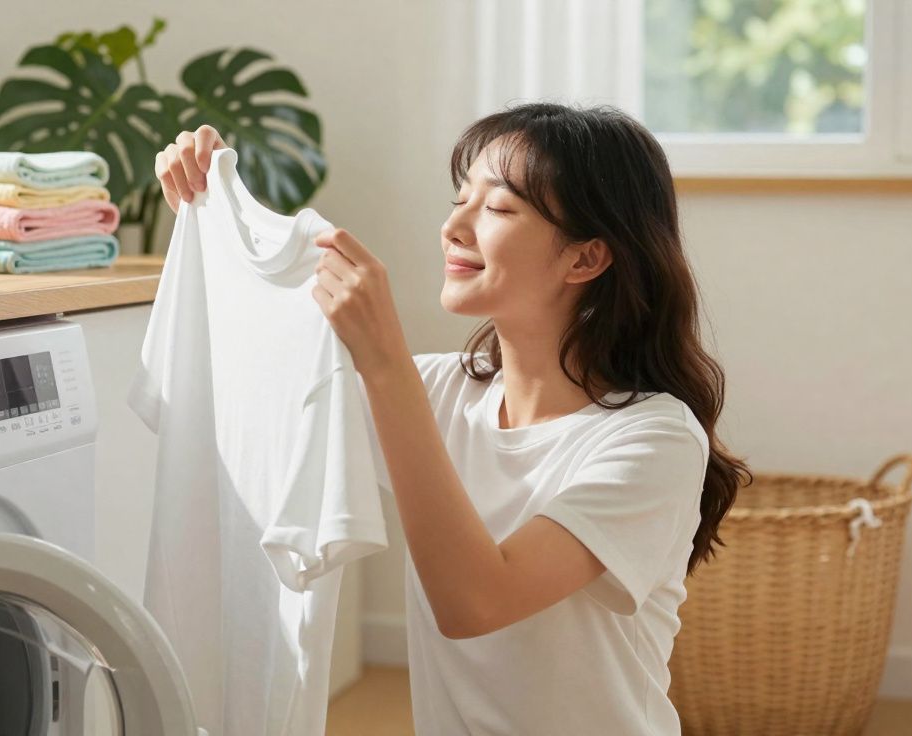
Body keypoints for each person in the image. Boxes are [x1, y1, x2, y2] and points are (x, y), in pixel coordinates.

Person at [154, 102, 751, 735]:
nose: (455, 227)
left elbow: (475, 602)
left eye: (496, 208)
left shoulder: (655, 439)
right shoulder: (443, 390)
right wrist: (216, 205)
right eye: (458, 199)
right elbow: (250, 389)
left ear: (585, 260)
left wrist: (384, 362)